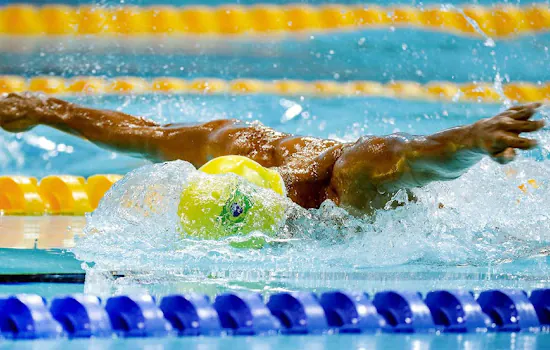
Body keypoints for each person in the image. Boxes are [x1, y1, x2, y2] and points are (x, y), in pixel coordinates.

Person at [0, 92, 544, 215]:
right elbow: (140, 133)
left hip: (389, 194)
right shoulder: (223, 146)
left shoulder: (341, 180)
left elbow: (412, 156)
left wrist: (473, 139)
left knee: (370, 167)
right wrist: (46, 110)